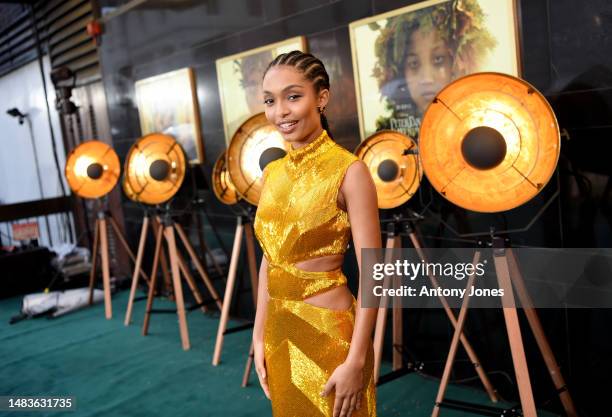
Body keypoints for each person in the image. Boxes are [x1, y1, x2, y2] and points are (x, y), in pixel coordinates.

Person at [252, 50, 380, 417]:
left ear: (321, 98)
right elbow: (270, 257)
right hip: (278, 332)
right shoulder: (272, 174)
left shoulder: (349, 171)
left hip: (330, 336)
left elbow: (374, 274)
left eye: (293, 96)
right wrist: (259, 334)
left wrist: (356, 361)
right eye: (270, 101)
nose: (281, 112)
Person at [373, 0, 496, 138]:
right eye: (413, 63)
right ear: (400, 72)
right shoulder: (388, 139)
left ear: (458, 62)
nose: (426, 79)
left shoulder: (484, 122)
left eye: (438, 59)